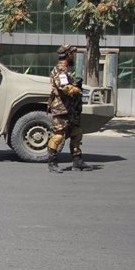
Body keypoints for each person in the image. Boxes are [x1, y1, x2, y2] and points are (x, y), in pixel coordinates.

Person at [47, 44, 93, 173]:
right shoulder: (60, 70)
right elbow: (65, 88)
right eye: (72, 54)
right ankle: (52, 162)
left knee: (76, 133)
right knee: (58, 136)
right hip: (61, 108)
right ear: (67, 55)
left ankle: (77, 161)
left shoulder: (66, 70)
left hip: (70, 108)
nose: (73, 56)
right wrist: (76, 88)